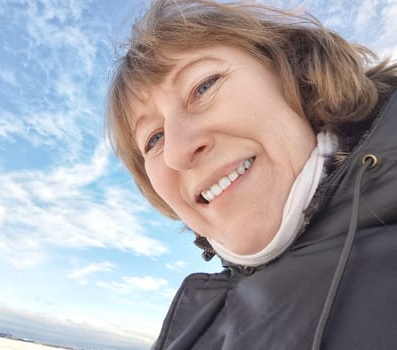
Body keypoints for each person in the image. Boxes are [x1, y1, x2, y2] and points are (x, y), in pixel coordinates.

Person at [106, 0, 397, 349]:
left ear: (294, 75)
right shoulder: (196, 327)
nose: (178, 151)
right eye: (154, 139)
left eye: (203, 86)